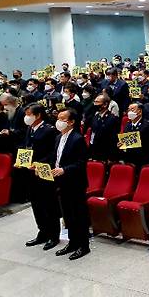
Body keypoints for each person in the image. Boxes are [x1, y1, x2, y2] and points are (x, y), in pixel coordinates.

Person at [21, 104, 61, 250]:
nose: (26, 117)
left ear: (38, 115)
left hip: (44, 171)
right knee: (36, 204)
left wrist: (40, 163)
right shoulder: (30, 128)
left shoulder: (49, 130)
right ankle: (42, 231)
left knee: (48, 204)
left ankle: (53, 235)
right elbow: (27, 147)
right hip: (31, 172)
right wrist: (22, 161)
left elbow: (53, 152)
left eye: (29, 114)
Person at [52, 109, 90, 260]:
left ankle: (83, 245)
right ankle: (73, 242)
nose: (58, 121)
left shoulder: (77, 139)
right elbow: (56, 159)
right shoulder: (58, 138)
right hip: (62, 182)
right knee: (68, 215)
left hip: (75, 183)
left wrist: (64, 170)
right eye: (58, 118)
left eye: (62, 118)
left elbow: (81, 163)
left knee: (78, 215)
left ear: (71, 121)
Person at [119, 103, 149, 170]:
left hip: (142, 160)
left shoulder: (147, 125)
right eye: (128, 109)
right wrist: (121, 144)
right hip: (129, 158)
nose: (129, 112)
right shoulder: (127, 125)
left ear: (140, 111)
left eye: (132, 109)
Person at [89, 94, 120, 162]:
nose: (94, 104)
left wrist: (111, 157)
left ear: (105, 104)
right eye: (94, 102)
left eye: (97, 102)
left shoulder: (113, 119)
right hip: (94, 151)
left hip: (105, 154)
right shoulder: (95, 116)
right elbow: (92, 135)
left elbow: (113, 139)